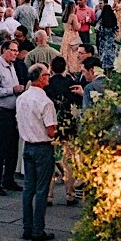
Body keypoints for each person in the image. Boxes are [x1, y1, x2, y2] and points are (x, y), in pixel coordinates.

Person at [17, 64, 59, 241]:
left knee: (28, 188)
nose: (48, 78)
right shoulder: (45, 102)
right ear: (41, 78)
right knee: (42, 189)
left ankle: (27, 227)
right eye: (47, 75)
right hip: (42, 146)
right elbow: (50, 131)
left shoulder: (22, 98)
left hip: (27, 144)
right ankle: (37, 229)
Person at [0, 40, 26, 194]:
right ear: (4, 50)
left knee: (12, 148)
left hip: (12, 112)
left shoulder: (12, 66)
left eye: (17, 50)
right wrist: (12, 90)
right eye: (13, 50)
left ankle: (8, 179)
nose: (16, 53)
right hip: (0, 112)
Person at [45, 55, 83, 204]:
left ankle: (49, 194)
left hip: (52, 125)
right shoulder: (71, 83)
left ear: (52, 68)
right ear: (65, 67)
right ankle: (70, 194)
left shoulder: (48, 84)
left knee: (52, 159)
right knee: (68, 160)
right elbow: (79, 103)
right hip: (68, 126)